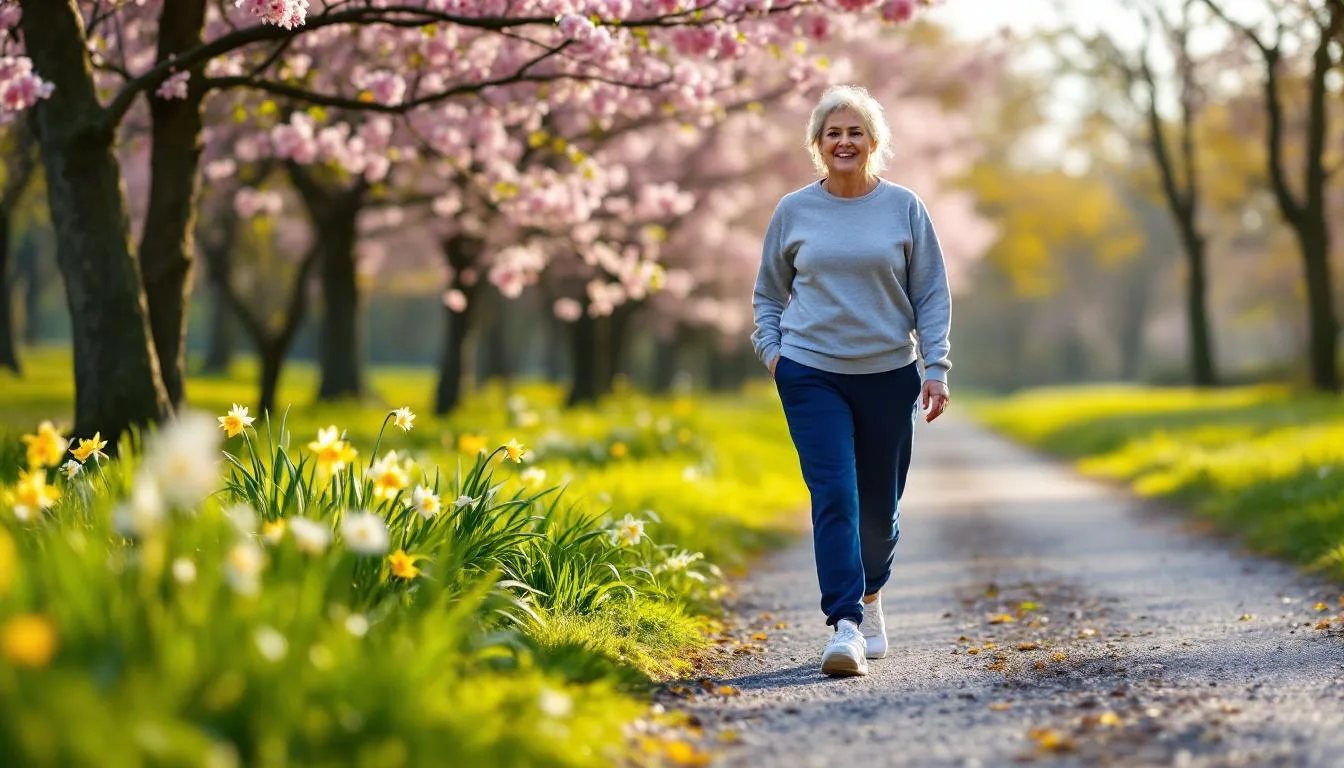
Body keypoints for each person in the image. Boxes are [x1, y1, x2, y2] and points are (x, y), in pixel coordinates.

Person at [750, 84, 952, 678]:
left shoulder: (904, 208)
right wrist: (775, 353)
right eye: (833, 133)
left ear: (874, 142)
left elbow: (931, 294)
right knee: (834, 493)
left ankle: (871, 593)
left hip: (888, 373)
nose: (844, 141)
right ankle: (845, 625)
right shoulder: (793, 210)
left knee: (878, 511)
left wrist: (934, 368)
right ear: (818, 144)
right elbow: (768, 292)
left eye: (855, 131)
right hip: (811, 372)